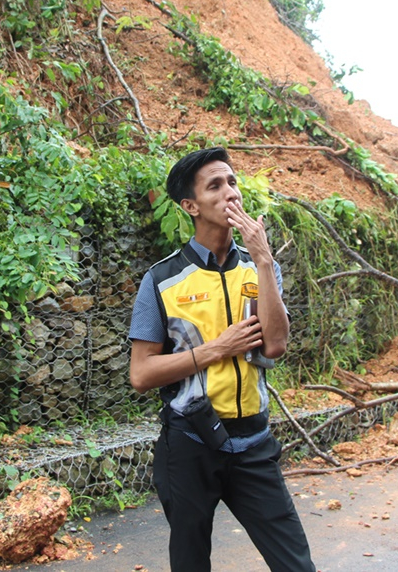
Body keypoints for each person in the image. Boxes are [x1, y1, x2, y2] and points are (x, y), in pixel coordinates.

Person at [128, 147, 316, 572]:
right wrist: (215, 349)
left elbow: (275, 346)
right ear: (190, 206)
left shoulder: (259, 266)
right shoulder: (161, 280)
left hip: (254, 442)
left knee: (296, 564)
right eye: (215, 185)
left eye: (233, 182)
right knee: (192, 563)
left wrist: (265, 260)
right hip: (191, 442)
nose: (230, 193)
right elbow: (141, 374)